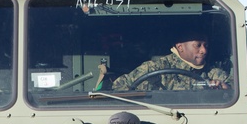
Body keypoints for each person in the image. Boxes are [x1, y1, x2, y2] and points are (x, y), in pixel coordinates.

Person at [95, 32, 229, 92]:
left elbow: (244, 89)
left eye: (206, 45)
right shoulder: (154, 68)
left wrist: (224, 87)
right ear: (180, 47)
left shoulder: (211, 72)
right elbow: (118, 87)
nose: (204, 50)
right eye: (198, 45)